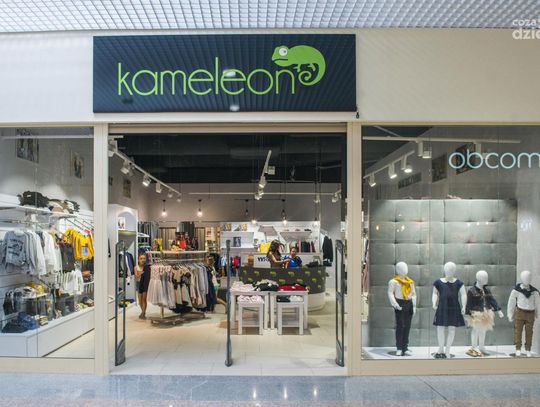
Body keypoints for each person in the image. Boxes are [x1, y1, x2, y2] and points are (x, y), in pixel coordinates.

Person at [134, 254, 150, 319]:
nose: (143, 260)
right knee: (140, 300)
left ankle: (143, 313)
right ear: (138, 260)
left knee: (144, 299)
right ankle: (142, 311)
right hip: (138, 283)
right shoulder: (136, 267)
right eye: (141, 258)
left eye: (144, 258)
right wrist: (140, 274)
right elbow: (136, 277)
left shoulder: (147, 267)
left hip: (145, 283)